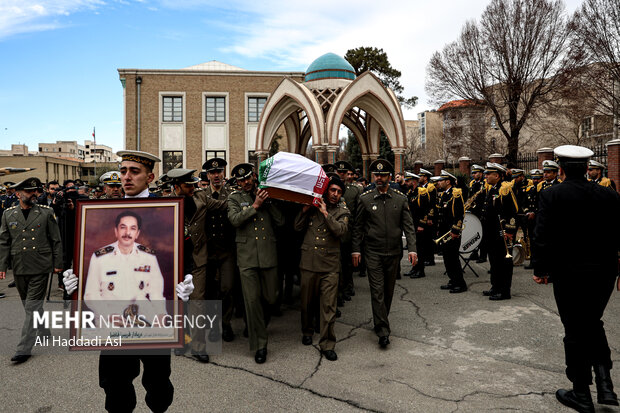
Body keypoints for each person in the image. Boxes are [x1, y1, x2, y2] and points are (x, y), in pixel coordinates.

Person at [63, 150, 195, 413]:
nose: (126, 176)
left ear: (150, 177)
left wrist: (185, 285)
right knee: (114, 385)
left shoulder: (168, 213)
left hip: (150, 321)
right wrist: (75, 284)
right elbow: (88, 274)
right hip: (113, 323)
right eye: (123, 170)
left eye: (134, 171)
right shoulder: (99, 213)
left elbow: (179, 263)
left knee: (158, 383)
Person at [532, 145, 620, 413]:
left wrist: (540, 269)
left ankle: (581, 392)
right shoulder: (609, 194)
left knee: (574, 329)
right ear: (586, 168)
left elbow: (542, 235)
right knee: (592, 322)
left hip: (569, 273)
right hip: (604, 272)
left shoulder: (551, 195)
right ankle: (606, 387)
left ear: (559, 169)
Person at [352, 159, 417, 349]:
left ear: (389, 177)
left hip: (394, 252)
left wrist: (412, 249)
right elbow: (357, 227)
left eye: (383, 175)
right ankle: (383, 330)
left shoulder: (399, 198)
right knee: (377, 291)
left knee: (388, 291)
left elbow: (409, 227)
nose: (379, 178)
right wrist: (356, 249)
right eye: (376, 175)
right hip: (373, 252)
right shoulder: (365, 199)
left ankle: (381, 320)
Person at [0, 177, 63, 363]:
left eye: (35, 191)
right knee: (30, 305)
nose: (34, 194)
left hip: (40, 265)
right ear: (18, 194)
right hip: (19, 265)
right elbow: (4, 242)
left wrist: (58, 263)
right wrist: (2, 266)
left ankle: (23, 348)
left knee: (31, 307)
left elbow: (56, 240)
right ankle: (43, 330)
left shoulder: (45, 212)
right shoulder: (8, 214)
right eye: (29, 191)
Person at [168, 167, 227, 362]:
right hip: (175, 261)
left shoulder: (201, 198)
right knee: (178, 305)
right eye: (188, 186)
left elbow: (222, 205)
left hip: (197, 260)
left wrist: (251, 202)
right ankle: (180, 340)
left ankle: (198, 345)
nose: (193, 188)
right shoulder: (164, 203)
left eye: (194, 184)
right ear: (177, 187)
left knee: (197, 302)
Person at [227, 163, 284, 364]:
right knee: (251, 301)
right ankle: (260, 344)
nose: (245, 183)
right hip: (247, 257)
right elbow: (234, 220)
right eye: (241, 180)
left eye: (248, 178)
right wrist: (255, 206)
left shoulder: (267, 194)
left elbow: (281, 222)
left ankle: (259, 323)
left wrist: (267, 203)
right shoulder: (234, 197)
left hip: (268, 254)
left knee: (270, 298)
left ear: (254, 177)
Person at [294, 175, 349, 361]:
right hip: (309, 262)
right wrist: (306, 209)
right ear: (326, 190)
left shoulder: (342, 210)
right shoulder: (313, 206)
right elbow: (296, 227)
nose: (335, 194)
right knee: (307, 302)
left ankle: (327, 343)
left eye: (339, 192)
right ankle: (307, 331)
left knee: (328, 307)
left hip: (330, 265)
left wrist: (326, 213)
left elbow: (340, 231)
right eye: (332, 190)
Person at [84, 210, 167, 323]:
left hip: (141, 311)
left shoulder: (148, 256)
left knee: (167, 332)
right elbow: (91, 294)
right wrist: (107, 314)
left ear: (137, 233)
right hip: (109, 312)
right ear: (116, 231)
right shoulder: (100, 257)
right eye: (123, 227)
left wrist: (161, 313)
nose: (127, 232)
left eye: (133, 228)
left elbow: (156, 291)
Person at [202, 158, 237, 343]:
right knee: (209, 290)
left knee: (227, 288)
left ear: (224, 173)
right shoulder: (201, 194)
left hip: (226, 250)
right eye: (213, 173)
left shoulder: (232, 193)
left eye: (219, 172)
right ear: (207, 175)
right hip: (208, 251)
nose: (216, 176)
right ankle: (211, 323)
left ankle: (226, 323)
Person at [481, 163, 518, 301]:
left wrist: (509, 230)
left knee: (504, 263)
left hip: (503, 233)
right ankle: (495, 286)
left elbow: (513, 212)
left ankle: (504, 291)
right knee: (494, 261)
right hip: (492, 232)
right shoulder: (492, 189)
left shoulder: (505, 189)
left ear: (496, 175)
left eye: (488, 174)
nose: (486, 176)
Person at [435, 171, 467, 293]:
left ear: (448, 181)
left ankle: (460, 283)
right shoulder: (444, 195)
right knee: (447, 258)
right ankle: (452, 280)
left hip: (452, 232)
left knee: (453, 258)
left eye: (441, 180)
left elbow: (459, 215)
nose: (439, 182)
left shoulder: (456, 194)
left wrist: (455, 230)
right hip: (444, 232)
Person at [335, 160, 360, 302]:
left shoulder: (354, 190)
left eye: (345, 173)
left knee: (347, 262)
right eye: (340, 172)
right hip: (334, 232)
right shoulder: (330, 189)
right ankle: (338, 290)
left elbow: (357, 214)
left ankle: (348, 287)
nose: (343, 175)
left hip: (348, 232)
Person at [404, 172, 431, 279]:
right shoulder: (410, 192)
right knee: (413, 248)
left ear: (413, 181)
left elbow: (426, 210)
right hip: (412, 224)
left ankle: (421, 270)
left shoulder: (422, 192)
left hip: (419, 225)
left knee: (420, 248)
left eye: (407, 181)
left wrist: (421, 224)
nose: (406, 183)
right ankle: (414, 268)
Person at [417, 169, 437, 267]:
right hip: (424, 216)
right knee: (424, 239)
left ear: (425, 177)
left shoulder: (430, 187)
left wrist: (430, 217)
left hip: (429, 217)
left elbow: (432, 204)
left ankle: (430, 259)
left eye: (420, 176)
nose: (419, 178)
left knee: (428, 239)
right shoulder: (422, 187)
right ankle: (426, 257)